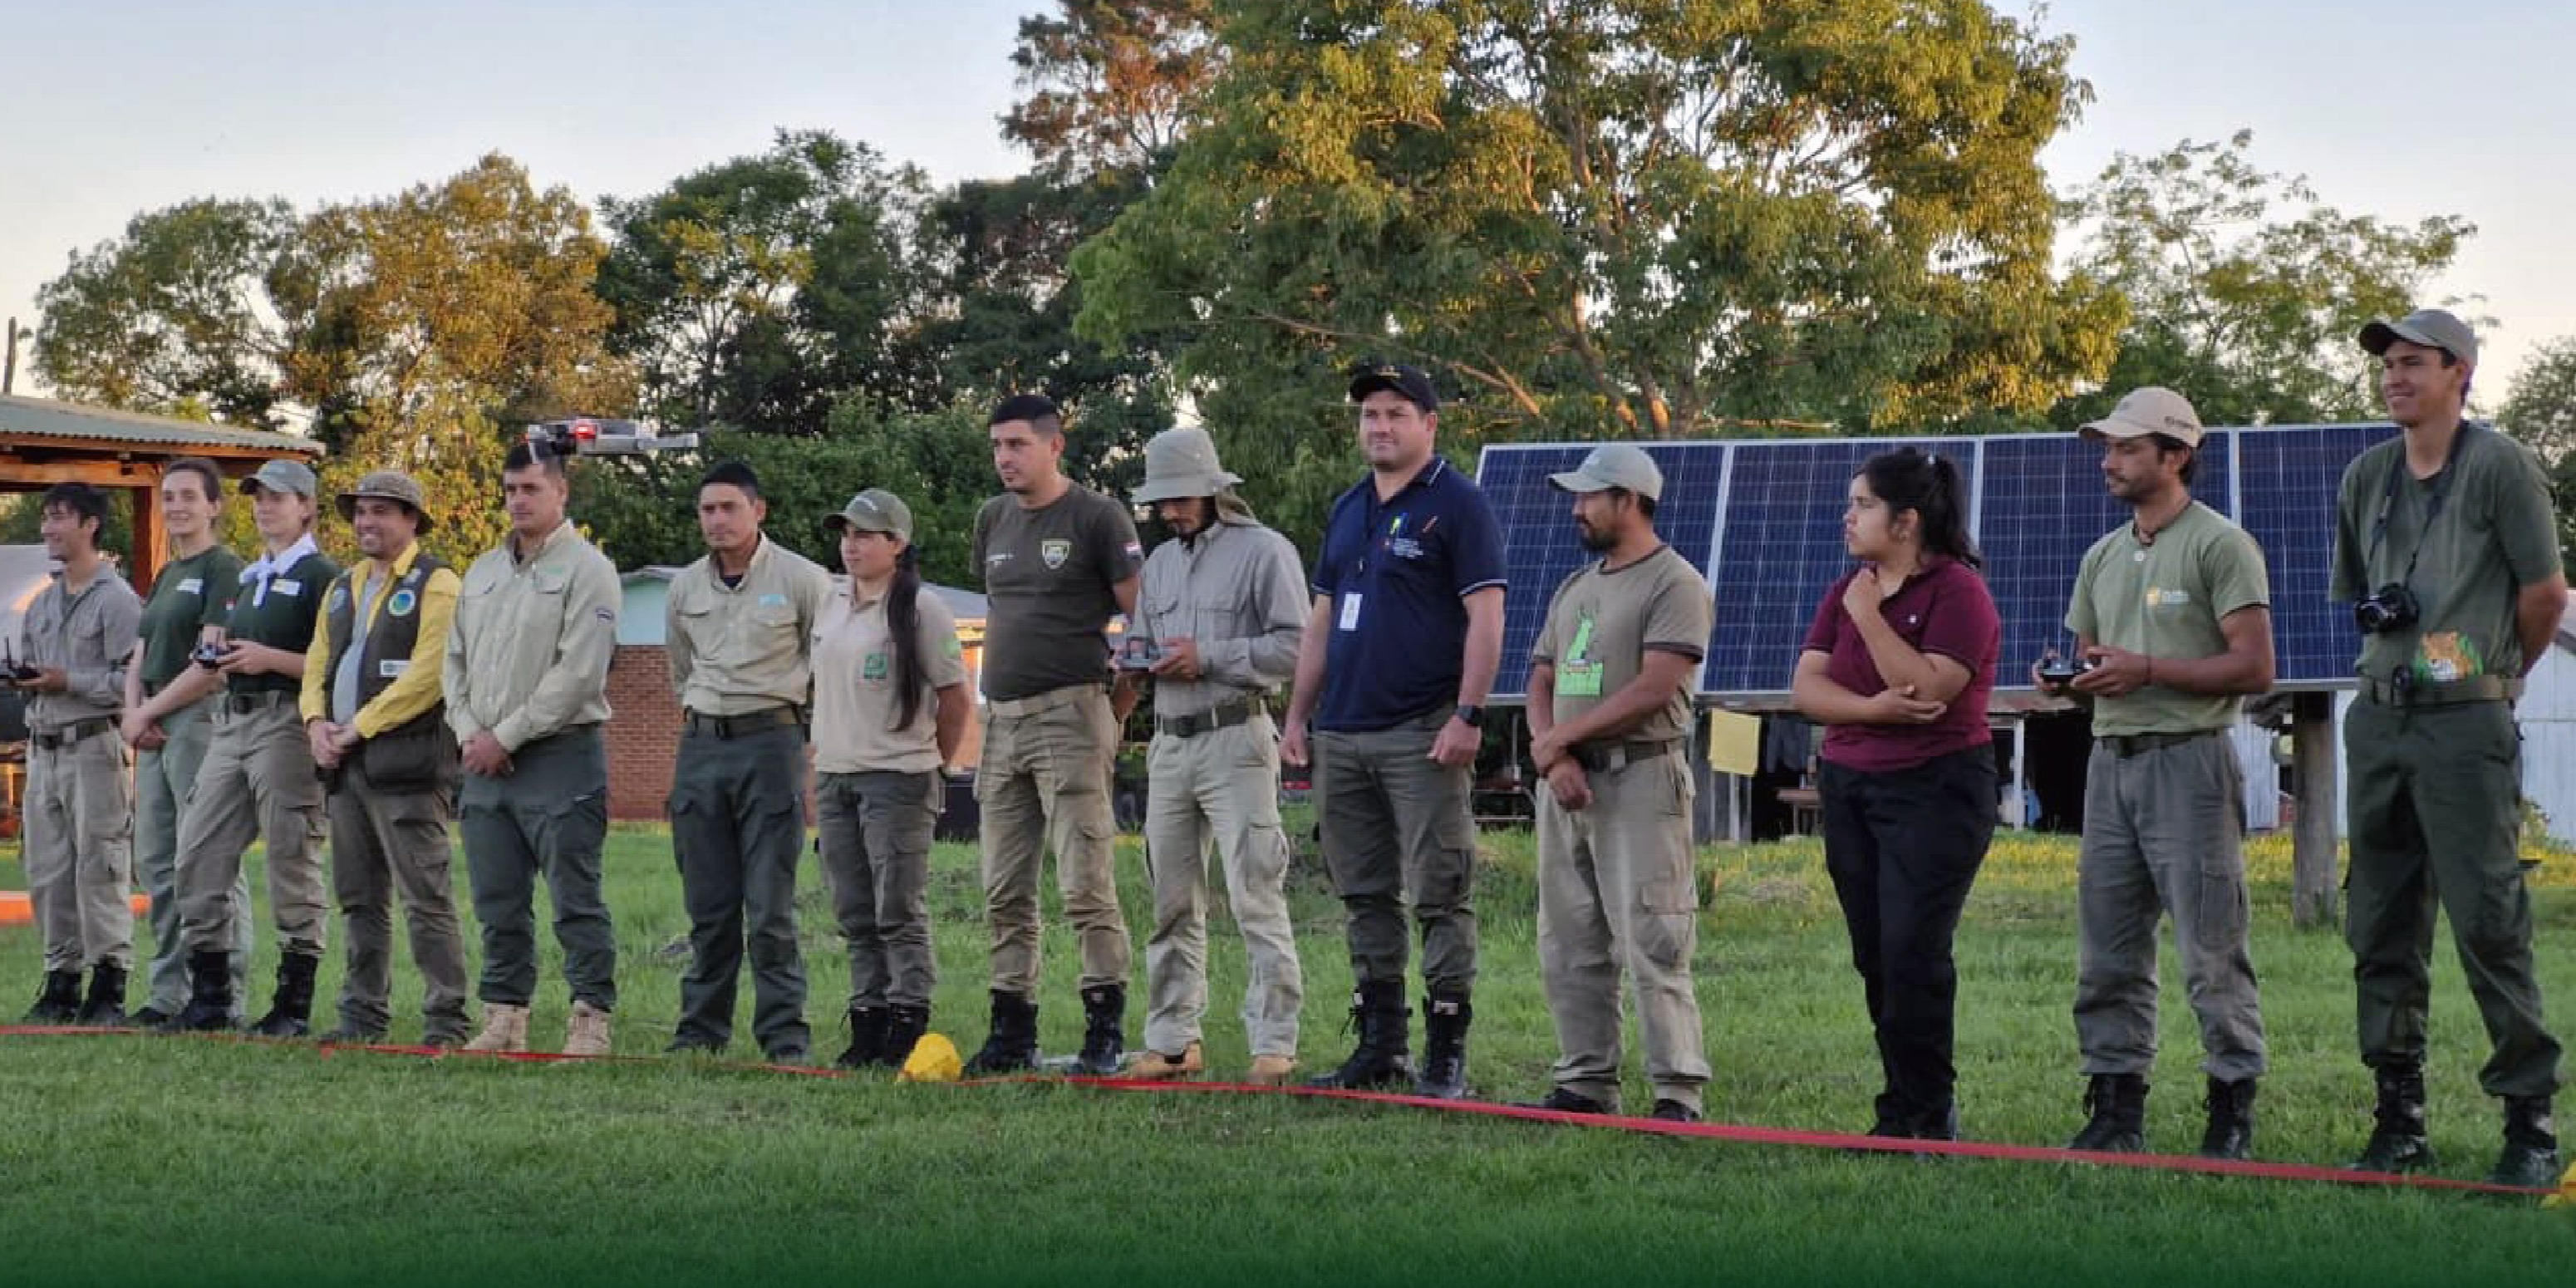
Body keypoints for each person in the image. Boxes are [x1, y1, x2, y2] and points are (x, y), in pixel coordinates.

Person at [2333, 307, 2565, 1187]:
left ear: (2458, 372)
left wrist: (2495, 676)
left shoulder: (2501, 467)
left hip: (2464, 720)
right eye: (2387, 364)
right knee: (2380, 919)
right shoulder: (2365, 477)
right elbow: (2360, 592)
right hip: (2380, 715)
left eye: (2413, 363)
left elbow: (2544, 592)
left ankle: (2528, 1122)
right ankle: (2398, 1116)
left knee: (2486, 918)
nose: (2394, 377)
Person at [2038, 387, 2274, 1159]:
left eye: (2127, 448)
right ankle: (2115, 1109)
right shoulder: (2102, 556)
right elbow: (2092, 661)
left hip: (2190, 764)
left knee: (2210, 948)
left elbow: (2255, 667)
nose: (2109, 462)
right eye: (2107, 448)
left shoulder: (2220, 545)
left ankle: (2229, 1110)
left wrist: (2148, 670)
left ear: (2175, 456)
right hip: (2112, 763)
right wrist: (2066, 681)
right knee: (2107, 950)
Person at [1283, 361, 1506, 1099]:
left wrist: (1469, 714)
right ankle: (1381, 1048)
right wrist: (1296, 718)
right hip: (1342, 732)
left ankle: (1447, 1056)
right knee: (1363, 893)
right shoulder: (1349, 507)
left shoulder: (1459, 504)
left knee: (1440, 891)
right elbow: (1320, 621)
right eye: (1370, 415)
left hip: (1423, 731)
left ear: (1430, 424)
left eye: (1396, 414)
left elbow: (1487, 616)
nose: (1380, 427)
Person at [1789, 447, 1998, 1141]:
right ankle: (1900, 1106)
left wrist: (1873, 619)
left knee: (1914, 950)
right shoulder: (1846, 588)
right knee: (1875, 951)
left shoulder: (1957, 592)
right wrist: (1874, 710)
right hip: (1852, 784)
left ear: (1906, 521)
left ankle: (1929, 1111)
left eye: (1863, 505)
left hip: (1936, 789)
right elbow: (1808, 689)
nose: (1847, 517)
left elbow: (1928, 691)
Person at [1516, 445, 1713, 1123]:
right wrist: (1553, 755)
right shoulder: (1577, 586)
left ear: (1629, 500)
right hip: (1566, 782)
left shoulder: (1674, 582)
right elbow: (1540, 676)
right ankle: (1585, 1080)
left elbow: (1656, 685)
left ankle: (1676, 1089)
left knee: (1654, 934)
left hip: (1640, 778)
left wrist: (1563, 741)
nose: (1577, 508)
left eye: (1589, 496)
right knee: (1568, 937)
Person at [966, 392, 1146, 1077]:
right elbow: (999, 610)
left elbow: (1143, 623)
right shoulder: (993, 519)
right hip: (1002, 722)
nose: (1004, 458)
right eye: (997, 446)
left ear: (1054, 446)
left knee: (1083, 882)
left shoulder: (1097, 517)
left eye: (1016, 445)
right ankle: (1012, 1028)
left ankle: (1104, 1025)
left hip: (1071, 715)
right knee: (1003, 887)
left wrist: (1115, 707)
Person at [1123, 427, 1308, 1086]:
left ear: (1212, 489)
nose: (1169, 511)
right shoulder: (1161, 566)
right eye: (1161, 502)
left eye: (1179, 498)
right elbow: (1142, 638)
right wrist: (1132, 659)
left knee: (1255, 890)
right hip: (1171, 742)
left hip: (1238, 737)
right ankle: (1173, 1040)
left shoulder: (1266, 552)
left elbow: (1297, 647)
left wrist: (1213, 658)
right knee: (1170, 897)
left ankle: (1274, 1043)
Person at [444, 440, 624, 1057]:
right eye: (511, 489)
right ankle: (504, 1018)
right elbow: (454, 663)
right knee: (497, 899)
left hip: (558, 756)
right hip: (484, 761)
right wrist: (471, 733)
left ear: (561, 492)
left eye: (532, 489)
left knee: (575, 897)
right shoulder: (483, 571)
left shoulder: (588, 569)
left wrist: (506, 736)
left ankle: (590, 1019)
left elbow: (578, 674)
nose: (519, 500)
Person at [664, 461, 834, 1064]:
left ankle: (785, 1037)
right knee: (708, 908)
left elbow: (826, 662)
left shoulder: (803, 579)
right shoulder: (684, 587)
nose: (716, 520)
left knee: (769, 908)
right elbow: (681, 671)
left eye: (728, 507)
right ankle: (700, 1033)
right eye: (707, 509)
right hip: (702, 746)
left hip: (773, 744)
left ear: (758, 510)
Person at [165, 458, 340, 1036]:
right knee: (196, 853)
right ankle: (211, 998)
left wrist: (271, 660)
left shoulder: (322, 575)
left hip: (285, 719)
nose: (266, 506)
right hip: (231, 718)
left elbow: (336, 664)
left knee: (292, 858)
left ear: (307, 507)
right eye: (259, 497)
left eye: (279, 497)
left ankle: (292, 1004)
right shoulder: (250, 576)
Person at [299, 470, 470, 1046]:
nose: (367, 522)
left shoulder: (438, 582)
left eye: (382, 511)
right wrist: (316, 724)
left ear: (411, 520)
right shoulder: (343, 586)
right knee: (357, 898)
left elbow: (430, 674)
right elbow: (317, 663)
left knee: (426, 898)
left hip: (408, 766)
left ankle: (446, 1020)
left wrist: (358, 727)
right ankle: (362, 1015)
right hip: (344, 767)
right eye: (360, 512)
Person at [812, 489, 971, 1070]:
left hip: (897, 777)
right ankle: (867, 1022)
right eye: (846, 534)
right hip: (835, 775)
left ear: (897, 544)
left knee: (897, 907)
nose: (851, 545)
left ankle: (908, 1019)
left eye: (864, 535)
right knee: (853, 909)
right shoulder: (831, 603)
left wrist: (937, 764)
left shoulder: (920, 609)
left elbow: (956, 698)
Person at [120, 457, 254, 1027]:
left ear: (214, 506)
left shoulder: (225, 568)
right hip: (152, 725)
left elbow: (212, 664)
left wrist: (148, 709)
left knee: (209, 856)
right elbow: (141, 652)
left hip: (199, 720)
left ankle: (223, 993)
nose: (175, 506)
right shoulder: (169, 572)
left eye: (187, 497)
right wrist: (132, 712)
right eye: (168, 496)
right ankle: (169, 993)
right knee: (158, 861)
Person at [11, 483, 142, 1024]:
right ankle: (59, 983)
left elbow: (131, 683)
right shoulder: (40, 603)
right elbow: (38, 669)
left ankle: (107, 986)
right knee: (47, 869)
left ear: (90, 525)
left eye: (59, 518)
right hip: (43, 752)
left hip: (94, 746)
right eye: (44, 518)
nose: (46, 529)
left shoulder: (118, 601)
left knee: (101, 865)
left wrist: (68, 680)